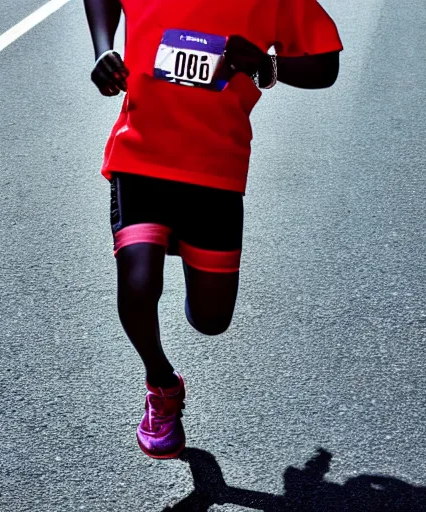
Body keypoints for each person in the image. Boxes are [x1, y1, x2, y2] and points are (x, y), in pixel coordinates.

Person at [83, 0, 343, 459]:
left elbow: (325, 65)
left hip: (215, 168)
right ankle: (161, 385)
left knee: (211, 321)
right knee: (138, 284)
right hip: (141, 153)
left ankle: (178, 242)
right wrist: (103, 49)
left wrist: (268, 65)